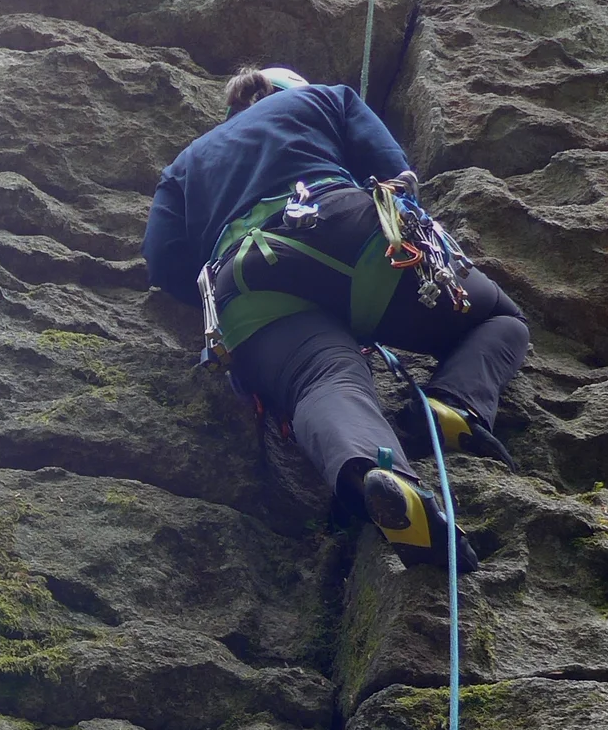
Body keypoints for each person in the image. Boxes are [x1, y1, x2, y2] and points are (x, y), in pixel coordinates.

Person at [145, 66, 529, 570]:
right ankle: (452, 403)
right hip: (349, 232)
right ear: (289, 92)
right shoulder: (327, 99)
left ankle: (376, 469)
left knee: (319, 381)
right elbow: (395, 173)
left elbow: (165, 262)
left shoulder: (185, 165)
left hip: (243, 278)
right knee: (500, 319)